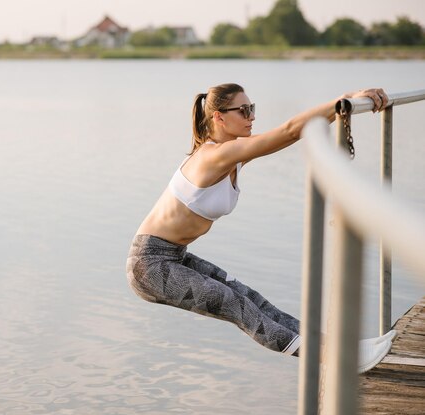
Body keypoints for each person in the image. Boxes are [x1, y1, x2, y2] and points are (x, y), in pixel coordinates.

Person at [126, 83, 394, 373]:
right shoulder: (214, 155)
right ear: (219, 117)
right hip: (149, 265)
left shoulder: (234, 155)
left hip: (174, 256)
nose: (251, 117)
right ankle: (337, 359)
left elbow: (291, 134)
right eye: (244, 110)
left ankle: (344, 347)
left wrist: (339, 111)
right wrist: (343, 101)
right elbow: (290, 129)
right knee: (239, 307)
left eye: (252, 109)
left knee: (252, 299)